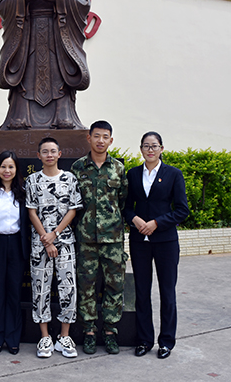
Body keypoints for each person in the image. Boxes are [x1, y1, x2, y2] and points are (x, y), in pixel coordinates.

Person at [0, 0, 90, 130]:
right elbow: (3, 5)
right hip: (27, 34)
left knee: (60, 74)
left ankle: (64, 116)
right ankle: (20, 117)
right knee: (25, 75)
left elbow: (83, 4)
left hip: (58, 35)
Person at [123, 131, 189, 359]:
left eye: (154, 146)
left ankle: (166, 342)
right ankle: (144, 340)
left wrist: (157, 223)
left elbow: (182, 210)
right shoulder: (132, 174)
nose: (150, 150)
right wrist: (135, 219)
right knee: (142, 291)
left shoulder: (173, 174)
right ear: (141, 149)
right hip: (139, 241)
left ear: (162, 148)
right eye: (146, 146)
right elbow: (126, 207)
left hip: (165, 242)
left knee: (167, 292)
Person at [70, 120, 128, 355]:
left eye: (105, 137)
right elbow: (73, 204)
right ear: (89, 138)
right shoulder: (77, 168)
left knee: (115, 285)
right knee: (86, 286)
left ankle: (111, 331)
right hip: (86, 239)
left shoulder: (118, 169)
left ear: (111, 140)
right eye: (96, 136)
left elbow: (123, 201)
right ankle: (89, 332)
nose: (100, 141)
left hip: (113, 240)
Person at [25, 137, 82, 358]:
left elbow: (73, 210)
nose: (49, 155)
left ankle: (64, 337)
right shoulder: (32, 180)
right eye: (45, 151)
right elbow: (32, 212)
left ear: (60, 154)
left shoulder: (70, 179)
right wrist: (46, 239)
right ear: (38, 156)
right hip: (40, 244)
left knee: (68, 288)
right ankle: (45, 337)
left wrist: (55, 234)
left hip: (65, 242)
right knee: (40, 289)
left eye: (53, 151)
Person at [0, 151, 30, 355]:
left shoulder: (23, 192)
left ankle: (12, 338)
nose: (7, 170)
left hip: (17, 245)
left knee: (14, 293)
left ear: (16, 169)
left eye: (11, 167)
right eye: (3, 166)